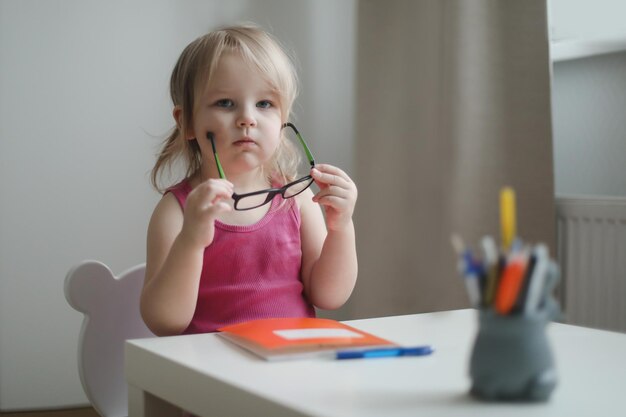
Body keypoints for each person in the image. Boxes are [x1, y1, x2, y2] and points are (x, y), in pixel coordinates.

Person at [141, 24, 358, 337]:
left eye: (264, 104)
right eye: (226, 103)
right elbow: (164, 321)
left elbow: (330, 296)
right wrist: (191, 239)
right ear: (187, 121)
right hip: (212, 370)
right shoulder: (178, 211)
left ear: (282, 120)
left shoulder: (297, 200)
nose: (247, 118)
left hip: (290, 364)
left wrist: (341, 228)